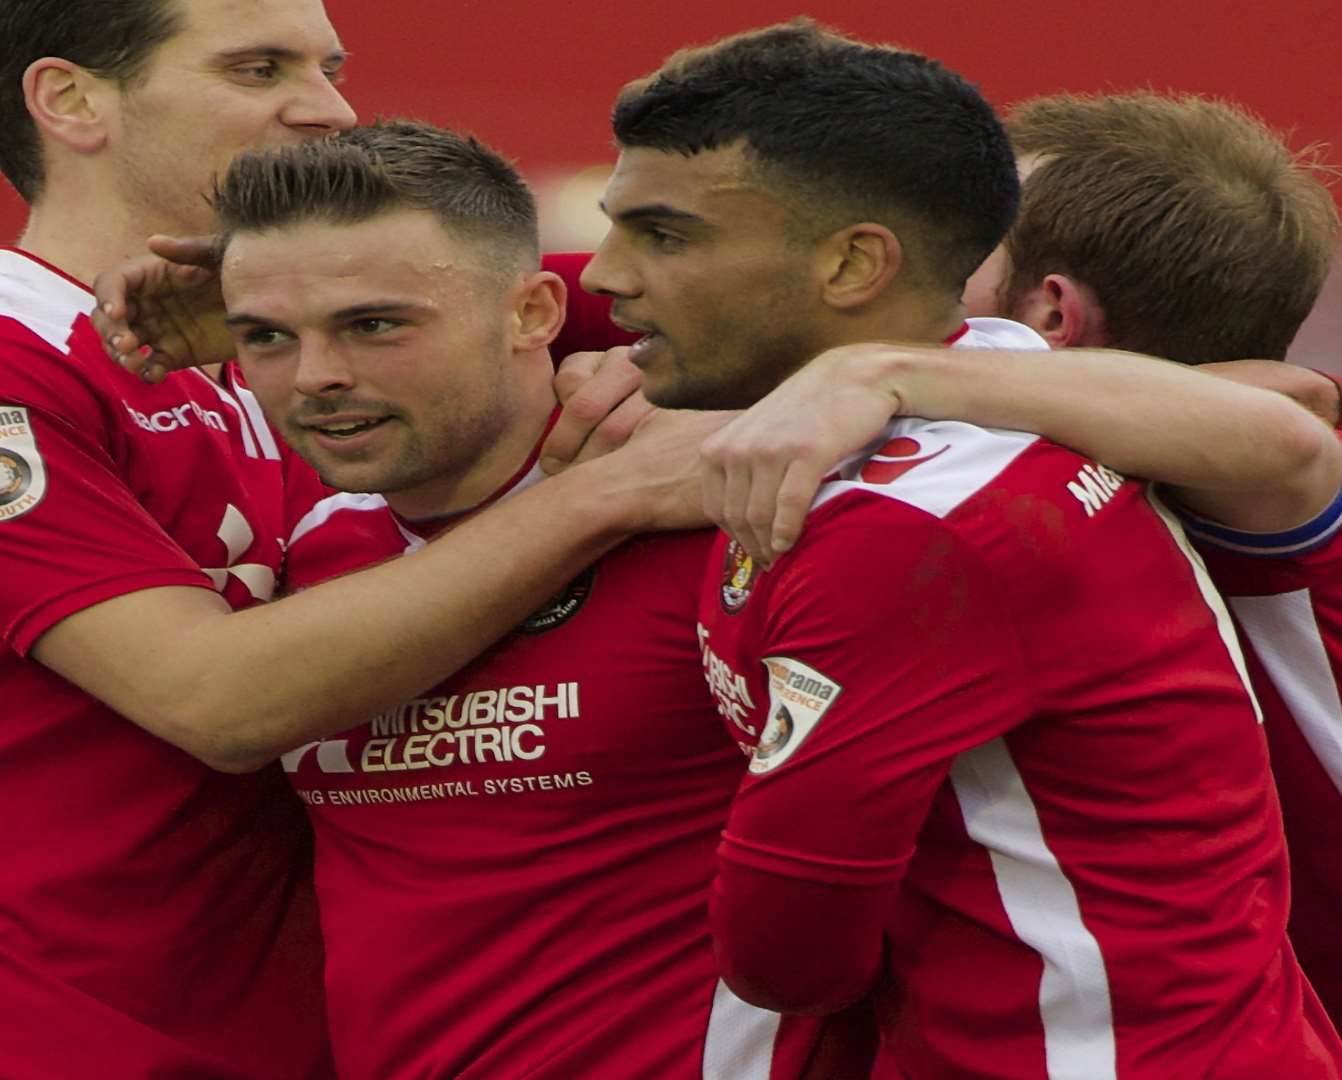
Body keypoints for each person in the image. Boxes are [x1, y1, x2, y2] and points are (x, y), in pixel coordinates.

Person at [0, 1, 704, 1076]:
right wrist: (603, 494)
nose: (330, 109)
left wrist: (883, 371)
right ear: (70, 101)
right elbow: (218, 699)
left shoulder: (299, 367)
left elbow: (810, 296)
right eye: (259, 69)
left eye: (330, 66)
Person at [692, 91, 1342, 1079]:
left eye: (960, 244)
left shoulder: (1288, 478)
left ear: (1052, 312)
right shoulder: (1163, 463)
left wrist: (884, 372)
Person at [578, 23, 1342, 1077]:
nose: (606, 275)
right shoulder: (1006, 380)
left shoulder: (909, 530)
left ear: (855, 261)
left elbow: (789, 956)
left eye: (665, 236)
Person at [207, 119, 868, 1079]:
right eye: (266, 337)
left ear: (532, 313)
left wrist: (871, 381)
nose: (315, 378)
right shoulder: (292, 545)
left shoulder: (737, 506)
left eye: (375, 324)